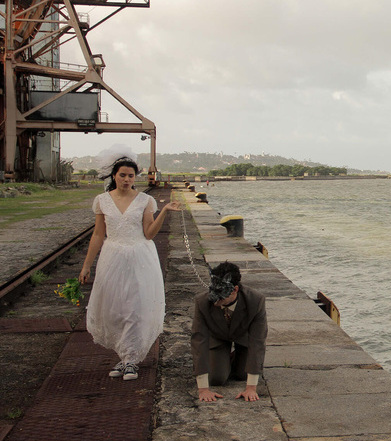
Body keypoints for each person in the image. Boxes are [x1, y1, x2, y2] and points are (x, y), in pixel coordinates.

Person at [79, 156, 181, 381]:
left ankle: (131, 360)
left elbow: (149, 234)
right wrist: (87, 266)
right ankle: (124, 356)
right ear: (114, 176)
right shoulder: (102, 201)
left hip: (139, 257)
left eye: (131, 176)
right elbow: (97, 235)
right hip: (112, 257)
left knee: (136, 307)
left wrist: (163, 211)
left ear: (136, 178)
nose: (126, 179)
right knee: (116, 308)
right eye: (122, 175)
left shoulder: (144, 201)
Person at [191, 261, 267, 402]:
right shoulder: (202, 302)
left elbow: (258, 341)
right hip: (217, 336)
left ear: (235, 290)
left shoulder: (256, 301)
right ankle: (222, 356)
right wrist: (203, 389)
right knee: (216, 378)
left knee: (242, 375)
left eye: (221, 296)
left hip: (243, 336)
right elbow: (199, 339)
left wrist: (251, 388)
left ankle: (233, 356)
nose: (215, 301)